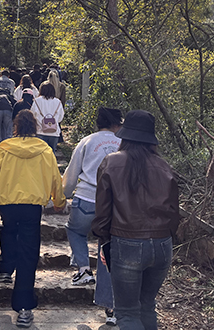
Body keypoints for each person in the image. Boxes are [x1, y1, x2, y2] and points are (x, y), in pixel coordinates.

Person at [92, 110, 180, 330]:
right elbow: (173, 213)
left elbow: (102, 212)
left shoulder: (111, 162)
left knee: (127, 312)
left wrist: (105, 241)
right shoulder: (164, 167)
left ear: (125, 136)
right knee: (147, 306)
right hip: (162, 245)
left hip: (126, 243)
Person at [0, 110, 65, 328]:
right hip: (32, 207)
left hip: (8, 204)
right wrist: (58, 201)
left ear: (15, 127)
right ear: (35, 126)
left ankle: (6, 268)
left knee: (8, 231)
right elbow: (55, 178)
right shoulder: (44, 150)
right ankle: (24, 308)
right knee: (28, 254)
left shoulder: (4, 149)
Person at [63, 107, 123, 326]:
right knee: (107, 250)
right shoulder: (123, 144)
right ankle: (111, 309)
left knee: (75, 230)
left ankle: (84, 269)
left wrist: (64, 195)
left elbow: (71, 175)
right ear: (116, 124)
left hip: (86, 198)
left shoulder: (87, 141)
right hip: (114, 204)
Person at [30, 83, 64, 153]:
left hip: (40, 131)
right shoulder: (58, 102)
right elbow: (60, 117)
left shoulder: (37, 101)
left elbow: (32, 115)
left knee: (40, 154)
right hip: (54, 132)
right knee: (51, 153)